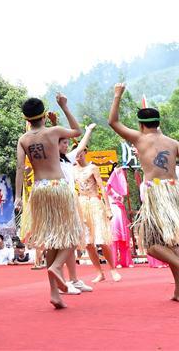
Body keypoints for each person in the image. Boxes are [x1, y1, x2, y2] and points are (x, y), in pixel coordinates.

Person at [108, 84, 179, 302]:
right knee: (171, 243)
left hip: (156, 194)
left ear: (141, 125)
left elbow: (113, 122)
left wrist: (117, 95)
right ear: (158, 123)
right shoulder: (172, 143)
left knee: (150, 244)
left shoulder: (139, 139)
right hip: (175, 193)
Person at [14, 95, 82, 309]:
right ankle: (57, 267)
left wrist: (18, 197)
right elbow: (77, 131)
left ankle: (54, 293)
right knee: (73, 233)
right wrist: (64, 106)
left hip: (39, 190)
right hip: (58, 187)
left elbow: (19, 169)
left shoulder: (23, 139)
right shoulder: (53, 132)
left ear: (26, 118)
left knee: (52, 240)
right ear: (44, 115)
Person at [73, 137, 121, 282]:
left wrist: (107, 208)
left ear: (85, 152)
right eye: (76, 152)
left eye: (81, 152)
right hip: (81, 204)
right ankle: (99, 272)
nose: (78, 155)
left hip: (94, 203)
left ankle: (112, 268)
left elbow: (102, 187)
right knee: (88, 242)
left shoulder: (93, 168)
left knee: (101, 239)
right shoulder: (73, 169)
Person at [57, 118, 95, 294]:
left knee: (73, 239)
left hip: (71, 202)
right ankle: (62, 279)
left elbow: (80, 148)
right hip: (58, 203)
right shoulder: (51, 161)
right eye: (63, 143)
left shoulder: (67, 159)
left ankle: (73, 279)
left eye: (66, 143)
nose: (66, 146)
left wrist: (88, 130)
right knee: (65, 241)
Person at [107, 165, 133, 268]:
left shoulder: (121, 188)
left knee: (124, 238)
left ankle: (126, 261)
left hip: (121, 212)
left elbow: (125, 193)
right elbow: (107, 189)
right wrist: (115, 172)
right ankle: (114, 261)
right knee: (114, 237)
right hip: (113, 212)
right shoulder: (108, 187)